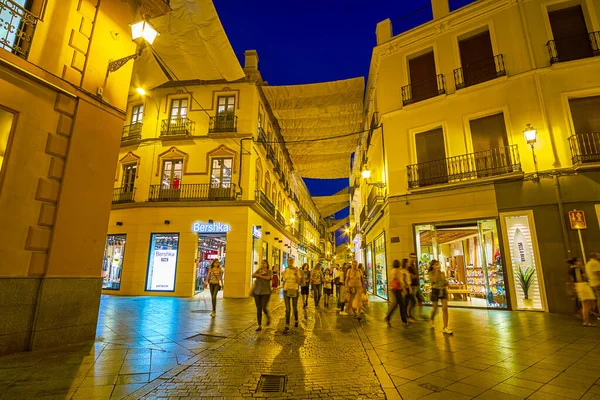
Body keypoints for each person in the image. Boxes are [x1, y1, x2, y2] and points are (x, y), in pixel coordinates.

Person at [569, 257, 596, 327]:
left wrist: (574, 288)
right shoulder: (578, 269)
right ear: (575, 262)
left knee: (586, 304)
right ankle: (586, 321)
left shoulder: (570, 270)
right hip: (583, 286)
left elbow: (572, 280)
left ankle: (585, 318)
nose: (580, 262)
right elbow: (584, 278)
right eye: (579, 261)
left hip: (578, 286)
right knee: (586, 304)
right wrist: (583, 269)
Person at [385, 259, 412, 326]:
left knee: (397, 304)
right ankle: (404, 321)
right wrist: (404, 289)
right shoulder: (398, 271)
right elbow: (400, 281)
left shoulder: (392, 270)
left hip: (393, 288)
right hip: (397, 289)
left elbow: (392, 280)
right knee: (401, 305)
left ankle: (388, 317)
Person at [429, 259, 452, 334]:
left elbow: (444, 281)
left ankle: (445, 327)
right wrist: (436, 272)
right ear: (432, 266)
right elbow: (433, 281)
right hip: (435, 290)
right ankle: (432, 319)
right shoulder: (431, 273)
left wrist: (447, 283)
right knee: (435, 309)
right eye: (436, 265)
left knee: (445, 308)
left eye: (438, 264)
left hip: (442, 290)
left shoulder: (442, 273)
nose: (438, 266)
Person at [252, 260, 273, 331]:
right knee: (258, 308)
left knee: (264, 307)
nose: (263, 264)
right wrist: (259, 274)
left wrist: (259, 276)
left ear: (267, 264)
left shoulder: (269, 271)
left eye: (264, 263)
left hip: (266, 292)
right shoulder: (259, 270)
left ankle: (268, 316)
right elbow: (253, 275)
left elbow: (269, 278)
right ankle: (259, 325)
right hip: (257, 292)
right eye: (262, 263)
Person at [282, 258, 301, 332]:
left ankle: (296, 320)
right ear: (287, 262)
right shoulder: (286, 270)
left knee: (294, 307)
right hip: (286, 290)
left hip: (294, 289)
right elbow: (284, 279)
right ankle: (287, 325)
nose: (289, 262)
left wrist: (296, 273)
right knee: (287, 308)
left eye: (291, 260)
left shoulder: (296, 270)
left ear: (293, 261)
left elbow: (299, 281)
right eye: (288, 261)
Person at [406, 252, 422, 320]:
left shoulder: (414, 265)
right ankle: (409, 314)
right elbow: (410, 276)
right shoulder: (409, 267)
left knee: (420, 300)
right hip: (412, 286)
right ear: (409, 257)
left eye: (414, 257)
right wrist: (416, 276)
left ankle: (419, 315)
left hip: (417, 285)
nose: (413, 259)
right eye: (412, 257)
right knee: (412, 302)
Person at [586, 253, 600, 317]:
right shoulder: (595, 262)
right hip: (598, 282)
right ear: (595, 256)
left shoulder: (588, 263)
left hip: (592, 283)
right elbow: (598, 273)